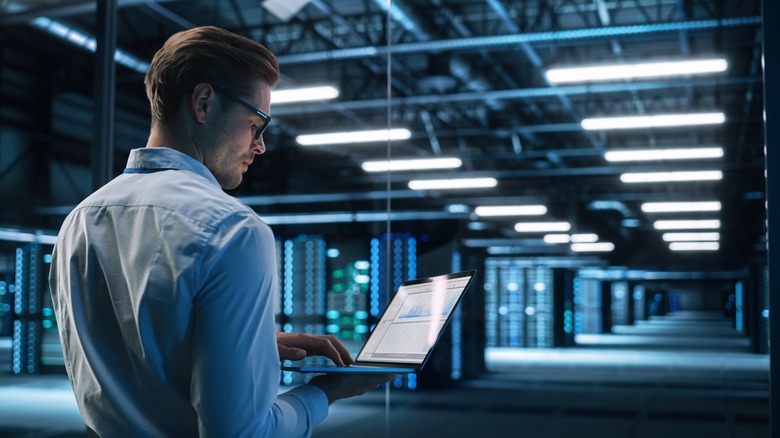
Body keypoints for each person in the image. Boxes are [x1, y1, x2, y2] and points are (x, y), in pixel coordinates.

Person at [49, 26, 392, 437]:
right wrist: (325, 393)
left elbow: (140, 351)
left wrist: (249, 346)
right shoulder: (234, 230)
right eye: (256, 123)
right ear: (204, 102)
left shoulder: (80, 220)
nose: (260, 145)